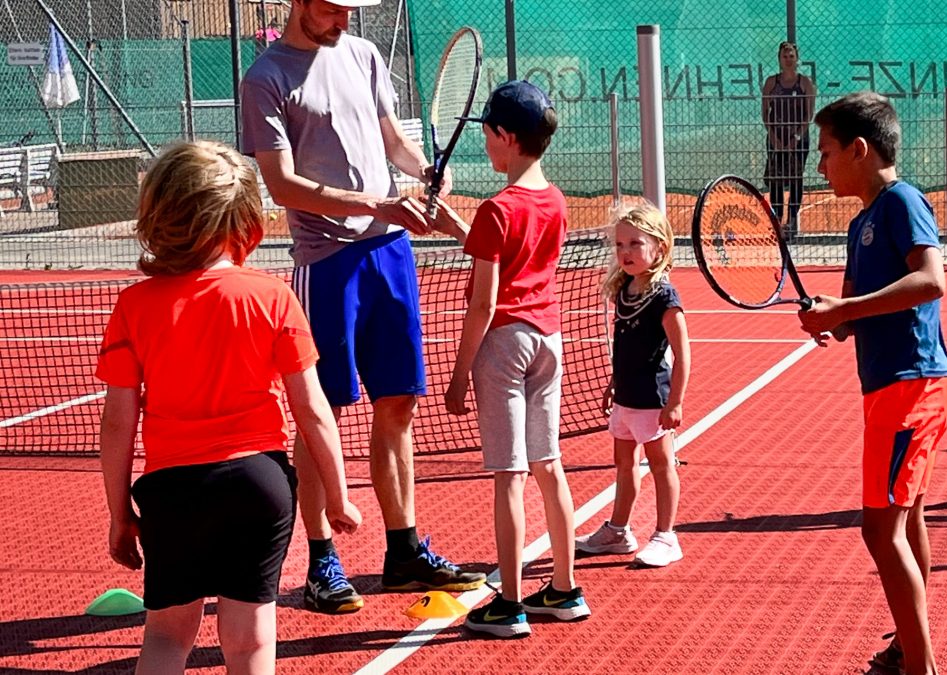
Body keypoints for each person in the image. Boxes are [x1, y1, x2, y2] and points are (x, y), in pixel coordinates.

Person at [240, 0, 485, 614]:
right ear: (300, 3)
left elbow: (392, 140)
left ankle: (402, 550)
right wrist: (379, 205)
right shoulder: (265, 78)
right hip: (327, 263)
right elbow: (282, 185)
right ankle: (322, 559)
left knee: (398, 401)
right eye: (334, 8)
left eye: (353, 9)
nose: (346, 19)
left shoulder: (366, 54)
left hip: (391, 253)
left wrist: (423, 169)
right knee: (325, 411)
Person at [97, 141, 362, 674]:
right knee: (251, 642)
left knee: (168, 638)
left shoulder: (134, 306)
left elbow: (117, 424)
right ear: (242, 220)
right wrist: (338, 496)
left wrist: (120, 514)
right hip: (257, 484)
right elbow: (311, 408)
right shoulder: (271, 296)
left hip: (172, 491)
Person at [798, 92, 947, 675]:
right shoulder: (861, 222)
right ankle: (905, 648)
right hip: (894, 387)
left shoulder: (901, 202)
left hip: (912, 387)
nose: (821, 165)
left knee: (879, 528)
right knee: (906, 518)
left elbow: (930, 281)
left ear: (859, 151)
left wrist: (845, 306)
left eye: (828, 152)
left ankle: (920, 665)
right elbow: (855, 317)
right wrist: (831, 317)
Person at [430, 80, 591, 638]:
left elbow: (484, 301)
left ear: (506, 136)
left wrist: (456, 379)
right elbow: (511, 251)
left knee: (509, 476)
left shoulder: (497, 210)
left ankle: (511, 604)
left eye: (488, 132)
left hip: (503, 346)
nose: (483, 141)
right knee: (549, 466)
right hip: (549, 340)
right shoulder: (555, 199)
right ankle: (565, 590)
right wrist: (462, 227)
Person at [575, 204, 690, 568]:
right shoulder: (624, 290)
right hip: (625, 398)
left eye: (635, 244)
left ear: (658, 247)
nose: (626, 252)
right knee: (624, 464)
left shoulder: (664, 298)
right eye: (620, 245)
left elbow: (683, 353)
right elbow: (624, 345)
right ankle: (618, 531)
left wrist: (675, 402)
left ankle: (666, 536)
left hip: (653, 400)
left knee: (661, 465)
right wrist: (613, 382)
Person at [761, 41, 817, 237]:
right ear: (779, 58)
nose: (788, 59)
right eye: (785, 56)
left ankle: (792, 221)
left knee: (795, 178)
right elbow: (765, 113)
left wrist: (796, 137)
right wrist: (774, 138)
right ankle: (777, 220)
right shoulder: (771, 82)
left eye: (791, 56)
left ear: (797, 58)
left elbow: (809, 114)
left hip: (798, 139)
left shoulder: (805, 83)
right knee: (776, 179)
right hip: (776, 137)